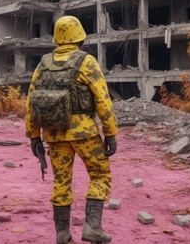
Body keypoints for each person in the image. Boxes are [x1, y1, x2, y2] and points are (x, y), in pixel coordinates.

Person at [25, 15, 119, 244]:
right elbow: (103, 100)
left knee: (61, 181)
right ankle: (93, 227)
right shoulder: (86, 61)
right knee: (100, 174)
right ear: (79, 36)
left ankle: (63, 233)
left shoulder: (43, 63)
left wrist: (34, 136)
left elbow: (30, 102)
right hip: (84, 132)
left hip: (55, 135)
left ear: (58, 37)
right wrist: (111, 133)